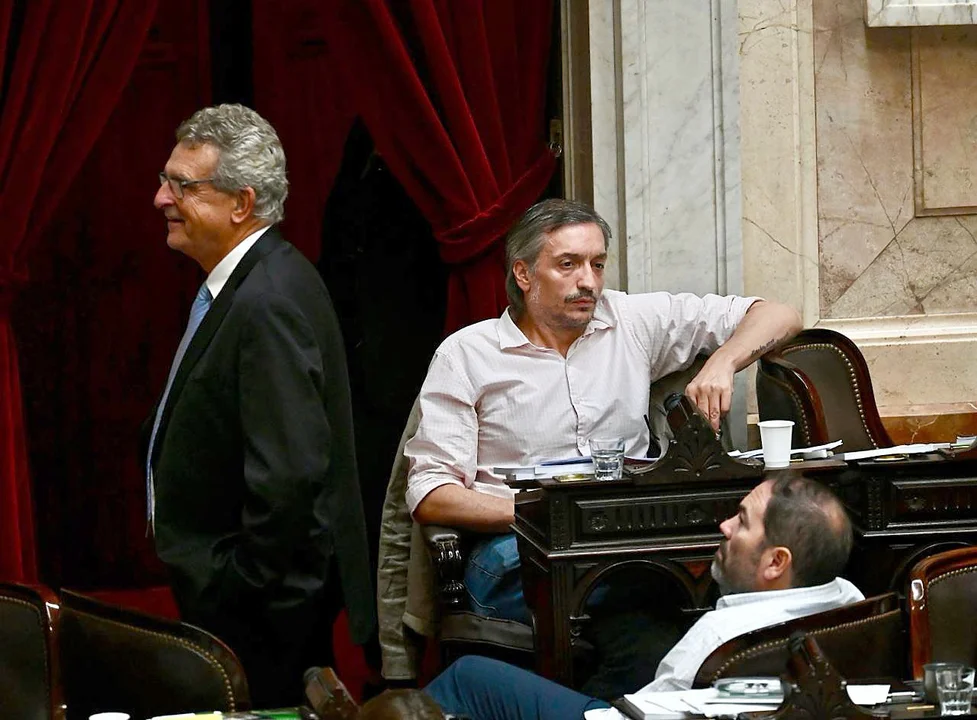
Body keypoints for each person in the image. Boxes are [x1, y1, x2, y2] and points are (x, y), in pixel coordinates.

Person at [404, 198, 802, 629]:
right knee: (648, 593)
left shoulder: (631, 320)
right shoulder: (467, 354)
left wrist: (724, 361)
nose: (588, 281)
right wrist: (544, 513)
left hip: (627, 536)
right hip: (519, 544)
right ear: (523, 274)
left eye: (597, 264)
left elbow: (780, 315)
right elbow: (431, 493)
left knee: (736, 564)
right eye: (568, 264)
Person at [142, 104, 374, 706]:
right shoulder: (258, 279)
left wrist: (235, 585)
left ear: (241, 204)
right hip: (254, 602)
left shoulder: (267, 299)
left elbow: (290, 475)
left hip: (262, 613)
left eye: (182, 186)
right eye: (166, 180)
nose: (162, 199)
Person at [424, 474, 864, 720]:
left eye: (743, 522)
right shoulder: (853, 605)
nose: (725, 526)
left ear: (776, 562)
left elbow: (645, 710)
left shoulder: (720, 638)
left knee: (467, 676)